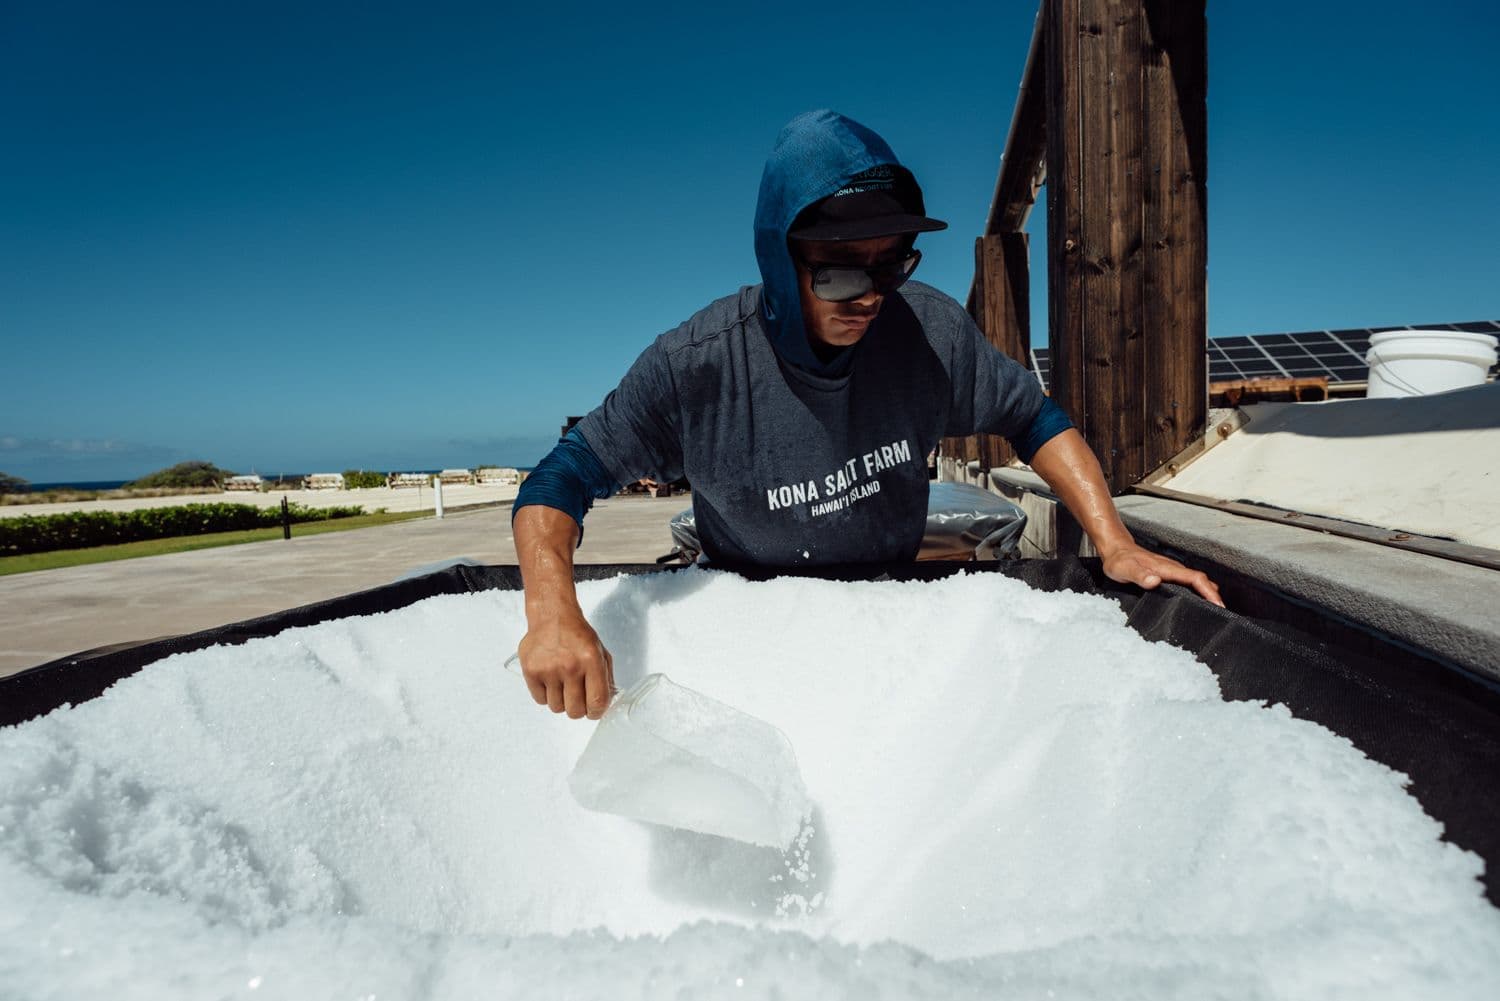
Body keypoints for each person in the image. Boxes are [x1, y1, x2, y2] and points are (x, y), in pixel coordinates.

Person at [512, 109, 1222, 720]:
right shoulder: (695, 368)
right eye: (842, 270)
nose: (871, 296)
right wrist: (551, 610)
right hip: (749, 619)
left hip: (888, 617)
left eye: (891, 266)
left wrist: (1114, 540)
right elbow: (562, 477)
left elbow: (1035, 419)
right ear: (778, 257)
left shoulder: (930, 334)